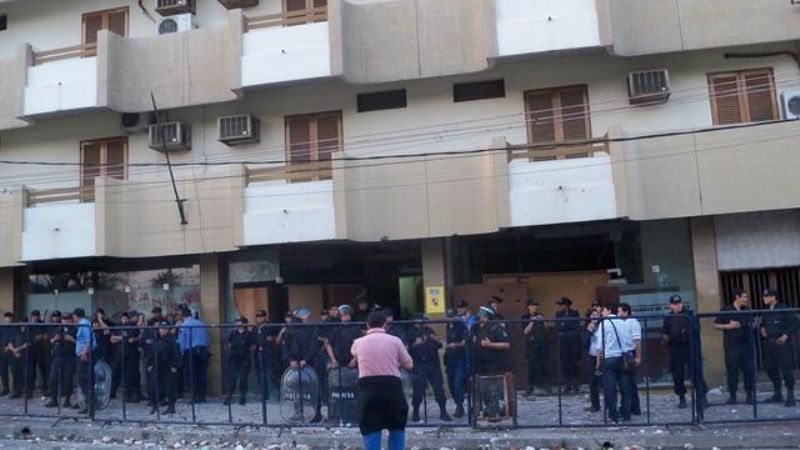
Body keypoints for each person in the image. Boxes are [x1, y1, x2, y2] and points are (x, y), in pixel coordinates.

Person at [351, 311, 414, 450]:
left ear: (367, 325)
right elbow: (409, 364)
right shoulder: (395, 341)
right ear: (385, 324)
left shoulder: (358, 343)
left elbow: (354, 354)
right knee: (397, 425)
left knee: (370, 425)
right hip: (392, 387)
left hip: (368, 389)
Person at [661, 295, 707, 409]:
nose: (677, 306)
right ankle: (682, 398)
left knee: (696, 373)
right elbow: (664, 331)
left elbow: (696, 329)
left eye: (679, 303)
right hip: (675, 348)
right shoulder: (668, 317)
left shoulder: (689, 315)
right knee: (678, 374)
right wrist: (665, 338)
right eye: (675, 304)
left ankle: (702, 398)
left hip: (689, 347)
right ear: (671, 305)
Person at [713, 289, 756, 405]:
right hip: (732, 345)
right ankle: (733, 396)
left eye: (746, 297)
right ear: (737, 297)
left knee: (748, 370)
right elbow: (716, 325)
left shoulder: (747, 310)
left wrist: (752, 325)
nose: (746, 299)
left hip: (746, 344)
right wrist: (728, 326)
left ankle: (749, 395)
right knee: (732, 370)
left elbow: (753, 323)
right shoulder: (726, 310)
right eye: (744, 297)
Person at [407, 314, 451, 422]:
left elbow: (439, 345)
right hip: (419, 364)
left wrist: (436, 340)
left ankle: (443, 412)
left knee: (439, 388)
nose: (422, 323)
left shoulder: (429, 331)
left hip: (433, 364)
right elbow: (407, 350)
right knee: (418, 390)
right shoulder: (410, 333)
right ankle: (416, 413)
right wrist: (416, 344)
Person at [760, 289, 799, 407]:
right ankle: (778, 393)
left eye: (766, 296)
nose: (764, 298)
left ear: (773, 297)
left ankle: (790, 395)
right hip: (769, 343)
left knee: (786, 369)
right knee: (770, 368)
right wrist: (762, 329)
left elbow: (795, 322)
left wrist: (786, 335)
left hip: (782, 343)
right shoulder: (767, 311)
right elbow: (763, 324)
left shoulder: (783, 308)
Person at [595, 303, 633, 424]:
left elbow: (599, 346)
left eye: (603, 310)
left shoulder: (604, 324)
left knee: (610, 388)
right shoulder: (624, 323)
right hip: (623, 358)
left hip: (610, 358)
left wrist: (597, 362)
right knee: (625, 387)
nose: (602, 313)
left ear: (609, 310)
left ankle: (613, 414)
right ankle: (626, 413)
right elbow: (629, 342)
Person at [284, 307, 323, 422]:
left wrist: (306, 360)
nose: (307, 317)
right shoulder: (290, 330)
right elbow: (286, 347)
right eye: (304, 315)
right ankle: (298, 413)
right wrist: (291, 360)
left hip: (310, 363)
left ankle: (316, 414)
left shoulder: (312, 328)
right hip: (295, 364)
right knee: (296, 389)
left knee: (313, 387)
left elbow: (314, 346)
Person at [473, 306, 511, 418]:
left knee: (494, 390)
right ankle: (489, 409)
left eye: (483, 317)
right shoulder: (480, 328)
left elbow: (506, 345)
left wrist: (490, 345)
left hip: (495, 365)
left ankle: (496, 410)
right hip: (483, 365)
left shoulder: (496, 328)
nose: (480, 319)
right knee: (485, 390)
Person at [146, 320, 182, 415]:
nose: (163, 330)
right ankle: (155, 405)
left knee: (170, 388)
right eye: (162, 328)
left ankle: (171, 407)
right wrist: (150, 364)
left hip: (168, 366)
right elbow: (151, 353)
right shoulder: (156, 339)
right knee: (153, 387)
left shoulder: (172, 340)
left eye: (165, 329)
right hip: (157, 366)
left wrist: (175, 365)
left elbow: (177, 353)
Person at [45, 311, 76, 408]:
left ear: (71, 320)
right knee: (53, 378)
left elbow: (80, 343)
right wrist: (54, 340)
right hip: (57, 357)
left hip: (69, 357)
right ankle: (53, 400)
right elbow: (50, 341)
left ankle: (67, 400)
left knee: (68, 379)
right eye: (64, 319)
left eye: (67, 319)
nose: (65, 321)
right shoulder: (58, 329)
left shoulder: (75, 330)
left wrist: (71, 339)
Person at [178, 308, 210, 403]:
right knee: (202, 374)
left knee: (192, 375)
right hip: (203, 350)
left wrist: (181, 353)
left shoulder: (184, 326)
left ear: (182, 315)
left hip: (191, 351)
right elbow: (208, 339)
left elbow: (182, 342)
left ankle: (195, 396)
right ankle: (202, 396)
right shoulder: (202, 324)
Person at [522, 299, 550, 397]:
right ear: (528, 307)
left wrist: (543, 321)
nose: (535, 307)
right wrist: (532, 321)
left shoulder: (540, 315)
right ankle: (530, 387)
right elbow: (525, 331)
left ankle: (545, 385)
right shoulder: (525, 317)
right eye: (533, 305)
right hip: (531, 346)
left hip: (542, 344)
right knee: (532, 367)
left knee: (544, 365)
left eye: (535, 305)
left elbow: (547, 328)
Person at [618, 303, 642, 415]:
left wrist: (638, 357)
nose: (618, 314)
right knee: (626, 382)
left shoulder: (633, 323)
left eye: (620, 311)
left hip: (630, 353)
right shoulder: (623, 323)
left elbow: (637, 341)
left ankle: (634, 406)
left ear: (626, 312)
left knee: (629, 382)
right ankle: (630, 406)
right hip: (625, 353)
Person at [225, 317, 255, 405]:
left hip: (244, 358)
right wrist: (228, 352)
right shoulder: (233, 333)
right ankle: (229, 396)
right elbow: (228, 344)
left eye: (239, 322)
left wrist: (248, 353)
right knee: (232, 378)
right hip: (233, 357)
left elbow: (253, 346)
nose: (237, 324)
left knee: (243, 378)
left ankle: (242, 396)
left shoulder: (249, 334)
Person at [444, 308, 468, 418]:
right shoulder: (448, 326)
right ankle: (459, 404)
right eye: (448, 317)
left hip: (460, 359)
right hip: (450, 359)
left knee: (458, 383)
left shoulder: (461, 325)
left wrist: (455, 345)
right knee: (451, 385)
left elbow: (465, 342)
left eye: (451, 317)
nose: (450, 319)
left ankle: (459, 405)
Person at [555, 297, 581, 394]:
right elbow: (558, 328)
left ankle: (575, 383)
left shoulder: (575, 313)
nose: (560, 307)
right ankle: (568, 384)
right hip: (563, 343)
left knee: (574, 362)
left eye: (561, 305)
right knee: (565, 362)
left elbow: (576, 326)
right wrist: (567, 325)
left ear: (566, 305)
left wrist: (565, 324)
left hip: (574, 342)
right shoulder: (558, 314)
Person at [73, 308, 96, 415]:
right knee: (83, 381)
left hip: (85, 355)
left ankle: (90, 406)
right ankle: (88, 405)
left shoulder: (84, 324)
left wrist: (84, 353)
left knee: (85, 380)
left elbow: (88, 340)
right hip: (84, 354)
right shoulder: (83, 323)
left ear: (76, 315)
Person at [115, 311, 142, 403]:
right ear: (134, 317)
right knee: (131, 375)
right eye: (137, 317)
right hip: (131, 354)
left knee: (130, 375)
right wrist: (139, 337)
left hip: (125, 352)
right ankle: (129, 396)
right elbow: (131, 340)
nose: (137, 318)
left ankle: (133, 394)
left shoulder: (124, 326)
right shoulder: (132, 326)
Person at [584, 302, 602, 412]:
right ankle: (595, 405)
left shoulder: (603, 326)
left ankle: (609, 405)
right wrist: (589, 332)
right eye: (593, 315)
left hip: (602, 356)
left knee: (604, 381)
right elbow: (584, 343)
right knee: (592, 382)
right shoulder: (587, 328)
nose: (595, 317)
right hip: (591, 356)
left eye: (597, 315)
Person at [28, 310, 49, 397]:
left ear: (39, 316)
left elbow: (46, 336)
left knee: (43, 369)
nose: (35, 317)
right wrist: (37, 338)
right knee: (31, 371)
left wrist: (41, 337)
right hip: (31, 350)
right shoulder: (29, 325)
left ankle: (45, 387)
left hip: (42, 350)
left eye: (37, 315)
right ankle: (30, 388)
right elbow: (29, 338)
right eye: (34, 315)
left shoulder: (43, 324)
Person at [8, 321, 30, 399]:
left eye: (24, 325)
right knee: (16, 374)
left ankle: (28, 392)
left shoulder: (29, 333)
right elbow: (10, 343)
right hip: (16, 357)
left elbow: (27, 344)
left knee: (26, 375)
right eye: (21, 325)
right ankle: (17, 392)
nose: (22, 326)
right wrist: (14, 350)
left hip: (25, 357)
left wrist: (17, 349)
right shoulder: (16, 333)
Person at [0, 311, 16, 396]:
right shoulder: (1, 327)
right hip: (2, 351)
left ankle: (15, 389)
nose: (8, 318)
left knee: (14, 371)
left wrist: (9, 347)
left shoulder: (15, 327)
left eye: (10, 317)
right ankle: (5, 388)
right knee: (3, 371)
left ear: (12, 318)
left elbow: (15, 339)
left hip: (12, 351)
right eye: (7, 317)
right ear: (4, 318)